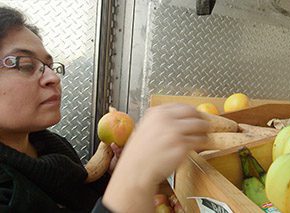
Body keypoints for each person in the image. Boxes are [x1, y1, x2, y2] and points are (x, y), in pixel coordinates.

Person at [0, 6, 210, 213]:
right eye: (26, 64)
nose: (53, 78)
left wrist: (113, 177)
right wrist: (133, 176)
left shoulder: (52, 147)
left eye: (49, 66)